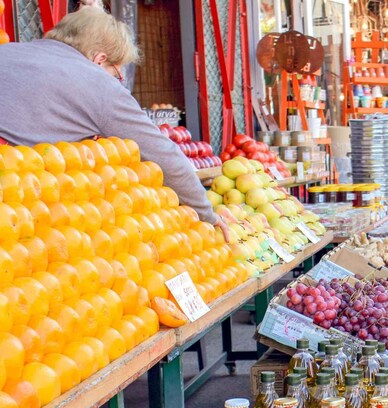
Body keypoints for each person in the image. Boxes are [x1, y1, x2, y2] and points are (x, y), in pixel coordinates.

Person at [0, 8, 228, 238]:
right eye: (117, 73)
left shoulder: (7, 51)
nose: (117, 80)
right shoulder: (98, 83)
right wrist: (207, 214)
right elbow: (162, 154)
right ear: (99, 59)